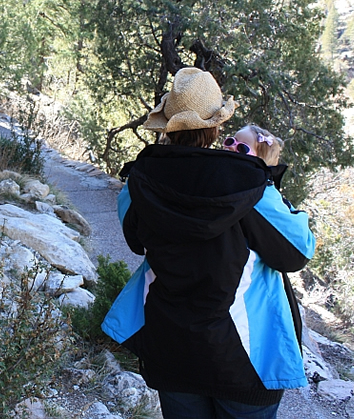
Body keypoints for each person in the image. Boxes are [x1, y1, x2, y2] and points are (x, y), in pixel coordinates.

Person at [102, 67, 315, 419]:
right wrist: (267, 173)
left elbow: (136, 242)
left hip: (170, 349)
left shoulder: (138, 180)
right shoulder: (251, 186)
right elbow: (297, 251)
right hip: (242, 359)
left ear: (168, 124)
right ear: (216, 128)